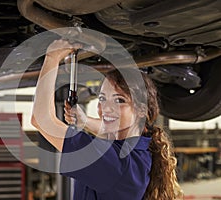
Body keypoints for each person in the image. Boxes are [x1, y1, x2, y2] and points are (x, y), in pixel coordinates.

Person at [31, 39, 183, 199]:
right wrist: (85, 121)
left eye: (119, 100)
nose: (106, 108)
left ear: (141, 110)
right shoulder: (140, 150)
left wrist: (52, 57)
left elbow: (40, 119)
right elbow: (112, 128)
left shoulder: (111, 161)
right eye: (102, 98)